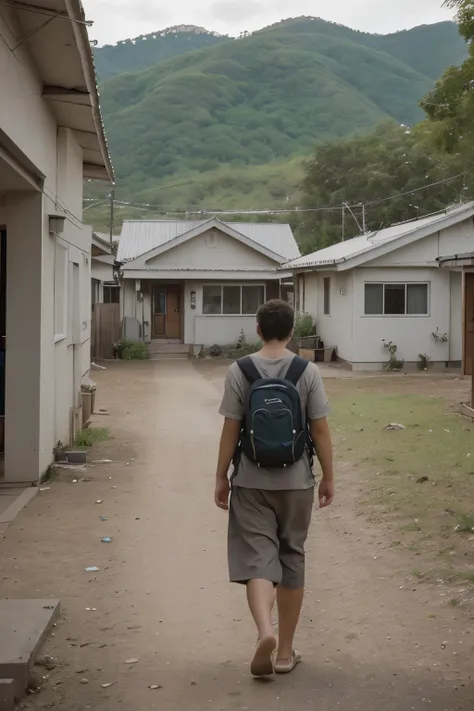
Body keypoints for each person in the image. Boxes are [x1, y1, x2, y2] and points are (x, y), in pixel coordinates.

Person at [214, 299, 334, 677]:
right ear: (292, 331)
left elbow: (231, 428)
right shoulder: (307, 370)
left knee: (257, 561)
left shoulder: (240, 370)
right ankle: (284, 653)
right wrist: (329, 476)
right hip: (297, 482)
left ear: (258, 329)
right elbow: (319, 429)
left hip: (251, 481)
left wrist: (221, 476)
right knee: (291, 557)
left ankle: (264, 631)